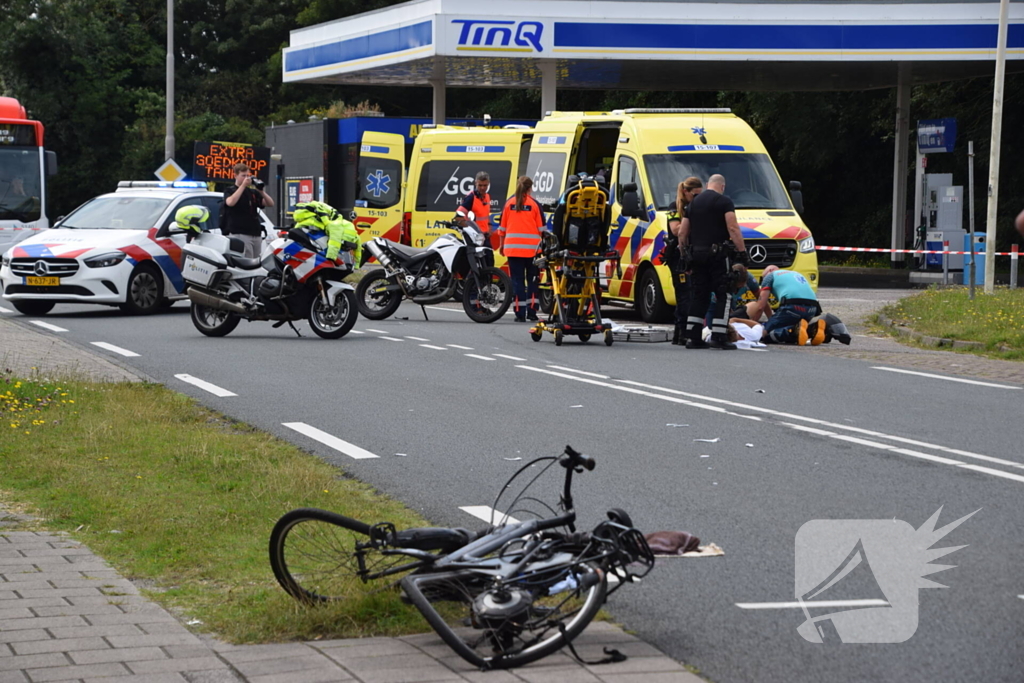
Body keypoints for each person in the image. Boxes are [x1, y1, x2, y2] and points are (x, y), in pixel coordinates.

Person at [677, 174, 749, 350]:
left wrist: (685, 255)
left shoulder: (693, 203)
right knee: (724, 293)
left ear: (708, 185)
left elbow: (682, 233)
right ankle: (719, 336)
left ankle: (693, 337)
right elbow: (733, 228)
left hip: (696, 255)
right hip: (717, 256)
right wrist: (742, 252)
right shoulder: (724, 202)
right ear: (722, 187)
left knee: (700, 295)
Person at [499, 176, 546, 322]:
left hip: (513, 249)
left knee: (517, 281)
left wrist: (502, 245)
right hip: (532, 251)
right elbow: (542, 230)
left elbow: (502, 229)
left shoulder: (509, 203)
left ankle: (520, 313)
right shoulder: (535, 205)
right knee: (532, 280)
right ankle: (532, 312)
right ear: (530, 188)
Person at [666, 177, 703, 345]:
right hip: (678, 256)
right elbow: (675, 230)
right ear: (685, 192)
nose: (697, 199)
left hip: (692, 253)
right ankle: (682, 332)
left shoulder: (696, 206)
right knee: (684, 294)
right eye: (695, 195)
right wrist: (691, 219)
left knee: (691, 293)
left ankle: (679, 333)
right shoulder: (674, 208)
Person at [756, 265, 825, 345]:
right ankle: (812, 329)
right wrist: (771, 319)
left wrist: (753, 323)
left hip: (792, 306)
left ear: (770, 270)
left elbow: (760, 306)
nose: (763, 280)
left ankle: (793, 331)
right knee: (795, 331)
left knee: (764, 335)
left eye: (763, 277)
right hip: (812, 309)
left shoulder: (770, 276)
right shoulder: (796, 274)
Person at [223, 162, 275, 258]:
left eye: (248, 175)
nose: (246, 178)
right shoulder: (230, 190)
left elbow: (270, 203)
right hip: (240, 233)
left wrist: (261, 191)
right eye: (243, 176)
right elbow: (230, 202)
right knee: (247, 260)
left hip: (255, 233)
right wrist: (242, 186)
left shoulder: (252, 192)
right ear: (235, 175)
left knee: (256, 261)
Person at [292, 201, 362, 266]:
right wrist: (331, 257)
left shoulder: (340, 225)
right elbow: (335, 240)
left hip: (307, 217)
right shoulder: (336, 225)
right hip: (318, 217)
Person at [456, 171, 492, 237]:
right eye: (480, 185)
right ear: (476, 183)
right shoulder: (471, 197)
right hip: (475, 237)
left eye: (485, 185)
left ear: (488, 183)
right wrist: (469, 229)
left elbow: (486, 215)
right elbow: (458, 216)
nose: (482, 188)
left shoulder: (487, 196)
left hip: (484, 235)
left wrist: (489, 227)